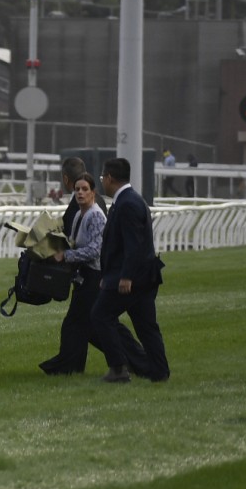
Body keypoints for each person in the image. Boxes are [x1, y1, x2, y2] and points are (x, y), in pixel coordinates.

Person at [39, 172, 150, 376]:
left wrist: (66, 256)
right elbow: (75, 242)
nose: (80, 193)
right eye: (77, 190)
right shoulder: (80, 215)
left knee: (78, 323)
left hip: (96, 277)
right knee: (90, 326)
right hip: (87, 278)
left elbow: (95, 250)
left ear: (93, 193)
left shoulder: (96, 215)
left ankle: (70, 366)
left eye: (85, 189)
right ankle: (134, 362)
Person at [91, 158, 170, 383]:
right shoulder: (131, 200)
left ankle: (118, 368)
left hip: (130, 278)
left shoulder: (126, 204)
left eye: (102, 178)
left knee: (100, 316)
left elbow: (133, 245)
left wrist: (125, 276)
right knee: (146, 327)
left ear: (110, 178)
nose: (103, 182)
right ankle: (159, 371)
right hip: (142, 276)